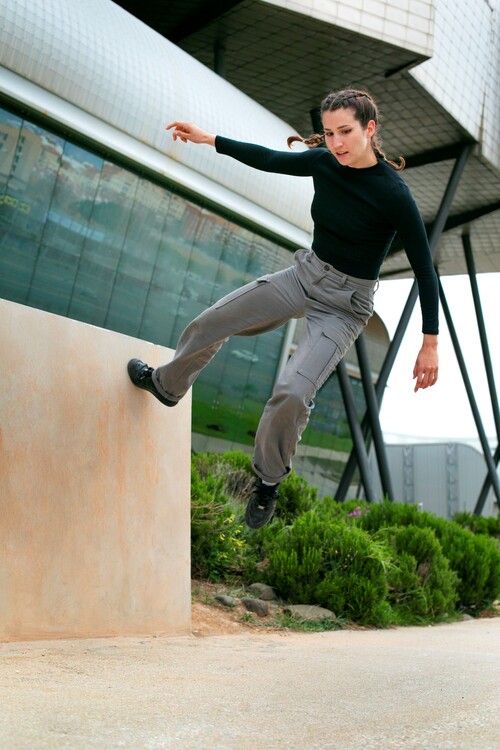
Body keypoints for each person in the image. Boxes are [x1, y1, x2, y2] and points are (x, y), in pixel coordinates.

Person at [128, 88, 439, 529]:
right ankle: (166, 385)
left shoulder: (394, 194)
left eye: (346, 132)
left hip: (344, 307)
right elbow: (268, 158)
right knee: (214, 320)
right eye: (329, 133)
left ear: (370, 129)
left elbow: (426, 269)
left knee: (293, 391)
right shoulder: (323, 162)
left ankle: (268, 482)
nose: (336, 143)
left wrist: (430, 342)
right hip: (303, 276)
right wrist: (209, 139)